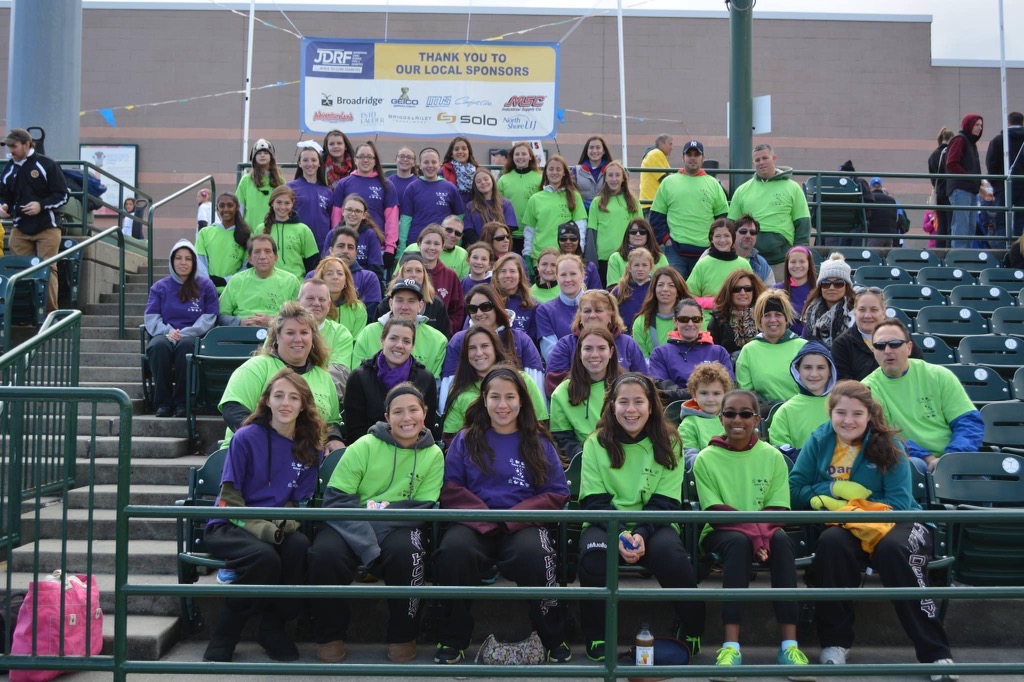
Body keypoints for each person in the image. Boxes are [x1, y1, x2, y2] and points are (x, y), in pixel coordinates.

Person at [789, 380, 959, 677]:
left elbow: (899, 503)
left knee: (894, 550)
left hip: (898, 522)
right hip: (846, 524)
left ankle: (936, 654)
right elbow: (794, 490)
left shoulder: (889, 445)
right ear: (830, 413)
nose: (848, 421)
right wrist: (831, 489)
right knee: (831, 543)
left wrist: (854, 505)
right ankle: (835, 643)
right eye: (841, 413)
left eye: (857, 414)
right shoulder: (819, 440)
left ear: (869, 415)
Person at [433, 367, 571, 665]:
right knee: (453, 552)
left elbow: (556, 493)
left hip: (522, 524)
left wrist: (512, 517)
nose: (502, 405)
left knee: (536, 555)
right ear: (484, 400)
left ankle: (552, 637)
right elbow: (451, 488)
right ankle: (452, 638)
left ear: (522, 400)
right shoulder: (465, 439)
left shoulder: (538, 442)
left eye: (510, 397)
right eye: (495, 397)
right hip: (474, 523)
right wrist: (486, 517)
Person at [309, 383, 444, 664]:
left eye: (413, 410)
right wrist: (367, 538)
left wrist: (373, 527)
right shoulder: (364, 445)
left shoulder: (434, 455)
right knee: (324, 554)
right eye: (398, 412)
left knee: (409, 553)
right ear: (387, 417)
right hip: (350, 522)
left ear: (425, 413)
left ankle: (403, 636)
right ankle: (329, 635)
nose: (406, 418)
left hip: (400, 525)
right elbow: (337, 499)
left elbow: (421, 507)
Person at [578, 372, 704, 663]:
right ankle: (597, 634)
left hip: (654, 524)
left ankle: (691, 627)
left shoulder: (670, 442)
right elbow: (594, 501)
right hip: (605, 522)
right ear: (612, 405)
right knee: (593, 558)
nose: (631, 409)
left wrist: (641, 533)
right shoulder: (595, 443)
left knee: (673, 558)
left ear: (651, 406)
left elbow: (666, 501)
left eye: (638, 402)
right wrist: (622, 533)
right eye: (623, 402)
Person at [201, 369, 323, 663]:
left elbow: (297, 502)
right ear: (267, 401)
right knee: (265, 558)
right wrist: (265, 530)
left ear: (303, 405)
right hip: (230, 523)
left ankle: (272, 628)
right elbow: (230, 499)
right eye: (278, 396)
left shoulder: (310, 448)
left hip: (275, 526)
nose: (285, 403)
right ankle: (225, 634)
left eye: (293, 397)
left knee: (300, 547)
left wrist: (280, 526)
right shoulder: (245, 437)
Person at [693, 389, 811, 680]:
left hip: (766, 532)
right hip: (722, 531)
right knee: (738, 542)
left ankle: (790, 646)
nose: (738, 419)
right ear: (720, 418)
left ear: (757, 419)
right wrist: (757, 538)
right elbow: (715, 510)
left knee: (782, 542)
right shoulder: (705, 458)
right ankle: (730, 647)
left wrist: (761, 537)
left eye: (745, 414)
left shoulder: (772, 456)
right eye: (730, 413)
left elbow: (778, 508)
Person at [862, 318, 983, 474]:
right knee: (913, 465)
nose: (887, 350)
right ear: (873, 351)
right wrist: (927, 458)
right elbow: (881, 437)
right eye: (880, 346)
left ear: (909, 347)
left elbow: (968, 421)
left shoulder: (939, 375)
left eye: (895, 344)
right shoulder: (867, 389)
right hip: (907, 460)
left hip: (954, 457)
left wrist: (951, 458)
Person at [219, 301, 344, 448]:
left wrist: (334, 438)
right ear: (277, 336)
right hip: (250, 452)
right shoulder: (256, 367)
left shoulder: (324, 377)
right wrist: (271, 442)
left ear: (312, 337)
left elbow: (332, 422)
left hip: (305, 455)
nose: (298, 339)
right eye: (290, 333)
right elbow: (233, 409)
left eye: (304, 332)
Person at [144, 239, 219, 418]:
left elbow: (209, 317)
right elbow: (151, 317)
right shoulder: (159, 287)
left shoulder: (206, 285)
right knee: (158, 346)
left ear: (194, 262)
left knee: (186, 346)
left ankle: (183, 403)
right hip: (165, 334)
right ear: (172, 261)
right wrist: (168, 332)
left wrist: (184, 333)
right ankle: (162, 403)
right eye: (178, 258)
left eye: (188, 259)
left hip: (195, 336)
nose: (183, 263)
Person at [0, 128, 69, 314]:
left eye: (14, 146)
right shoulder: (10, 167)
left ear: (27, 145)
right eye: (9, 147)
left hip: (47, 226)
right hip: (20, 227)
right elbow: (5, 194)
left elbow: (62, 195)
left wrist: (41, 205)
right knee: (18, 269)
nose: (11, 151)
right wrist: (4, 206)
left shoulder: (46, 164)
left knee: (47, 268)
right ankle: (23, 313)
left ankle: (49, 313)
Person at [440, 284, 544, 403]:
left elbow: (536, 389)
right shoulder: (459, 341)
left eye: (485, 307)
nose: (479, 313)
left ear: (497, 306)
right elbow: (448, 388)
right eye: (472, 309)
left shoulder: (521, 339)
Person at [344, 318, 438, 443]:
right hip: (370, 448)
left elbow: (428, 428)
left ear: (412, 346)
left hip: (412, 448)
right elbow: (354, 432)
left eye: (406, 341)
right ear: (382, 340)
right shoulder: (359, 377)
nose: (399, 345)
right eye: (393, 338)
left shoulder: (425, 379)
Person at [441, 328, 547, 438]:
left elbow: (540, 424)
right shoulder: (459, 390)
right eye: (472, 348)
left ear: (495, 349)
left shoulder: (522, 379)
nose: (479, 353)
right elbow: (451, 438)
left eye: (484, 346)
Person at [728, 144, 811, 281]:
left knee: (781, 295)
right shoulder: (741, 191)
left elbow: (803, 224)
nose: (761, 162)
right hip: (750, 260)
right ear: (753, 163)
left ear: (774, 158)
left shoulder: (793, 188)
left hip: (782, 261)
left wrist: (798, 255)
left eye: (765, 158)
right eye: (757, 160)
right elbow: (732, 226)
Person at [649, 139, 730, 277]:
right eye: (689, 154)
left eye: (696, 155)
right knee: (674, 287)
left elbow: (723, 219)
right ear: (683, 157)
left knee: (703, 289)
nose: (693, 158)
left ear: (703, 158)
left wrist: (714, 243)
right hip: (675, 251)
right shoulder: (668, 183)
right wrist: (666, 240)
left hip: (706, 252)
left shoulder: (713, 184)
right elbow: (656, 217)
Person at [545, 289, 648, 387]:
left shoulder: (628, 344)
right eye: (587, 311)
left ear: (611, 315)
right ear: (580, 316)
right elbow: (552, 383)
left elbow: (644, 381)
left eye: (598, 310)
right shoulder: (566, 344)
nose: (592, 315)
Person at [550, 325, 622, 459]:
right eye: (588, 348)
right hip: (586, 459)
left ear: (611, 352)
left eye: (601, 348)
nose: (594, 354)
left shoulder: (626, 386)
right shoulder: (561, 393)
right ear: (579, 352)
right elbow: (563, 439)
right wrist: (588, 456)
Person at [353, 277, 448, 377]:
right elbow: (358, 376)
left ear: (420, 306)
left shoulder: (437, 340)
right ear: (391, 304)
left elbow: (434, 383)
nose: (404, 307)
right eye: (399, 300)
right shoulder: (368, 333)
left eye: (411, 301)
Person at [330, 141, 399, 269]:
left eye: (369, 157)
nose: (365, 160)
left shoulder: (386, 185)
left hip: (377, 248)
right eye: (361, 156)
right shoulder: (344, 184)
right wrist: (336, 240)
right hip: (347, 248)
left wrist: (390, 247)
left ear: (375, 160)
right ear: (355, 160)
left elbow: (392, 219)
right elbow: (336, 216)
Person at [649, 298, 733, 401]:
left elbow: (728, 386)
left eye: (696, 319)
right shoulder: (660, 353)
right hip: (676, 408)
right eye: (684, 319)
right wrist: (698, 395)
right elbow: (661, 388)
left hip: (714, 406)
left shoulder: (719, 352)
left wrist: (702, 395)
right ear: (675, 321)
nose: (690, 324)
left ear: (702, 321)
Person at [735, 289, 807, 409]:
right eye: (767, 315)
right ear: (760, 320)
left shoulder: (804, 347)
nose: (773, 320)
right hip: (764, 414)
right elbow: (746, 395)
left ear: (786, 319)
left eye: (778, 315)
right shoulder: (749, 351)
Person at [831, 287, 921, 382]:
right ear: (855, 312)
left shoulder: (901, 335)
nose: (867, 315)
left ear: (883, 312)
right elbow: (844, 384)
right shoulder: (841, 344)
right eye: (862, 310)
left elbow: (918, 371)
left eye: (874, 310)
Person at [767, 341, 837, 456]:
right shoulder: (786, 411)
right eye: (807, 367)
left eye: (820, 368)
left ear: (830, 371)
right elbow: (782, 452)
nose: (814, 374)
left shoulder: (842, 405)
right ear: (798, 369)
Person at [218, 234, 301, 327]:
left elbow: (299, 316)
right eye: (257, 252)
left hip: (277, 332)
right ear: (250, 259)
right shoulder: (236, 280)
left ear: (275, 257)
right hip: (241, 333)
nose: (262, 256)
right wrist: (240, 322)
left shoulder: (291, 281)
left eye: (268, 251)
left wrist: (273, 321)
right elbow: (221, 315)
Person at [522, 155, 588, 268]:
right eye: (551, 169)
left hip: (566, 257)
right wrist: (527, 254)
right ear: (546, 172)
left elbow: (581, 226)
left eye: (558, 169)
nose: (554, 172)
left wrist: (579, 249)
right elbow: (529, 231)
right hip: (540, 257)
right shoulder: (535, 199)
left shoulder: (574, 196)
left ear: (564, 173)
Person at [399, 147, 464, 256]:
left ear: (439, 165)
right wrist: (401, 249)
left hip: (442, 247)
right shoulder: (412, 188)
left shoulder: (450, 188)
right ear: (420, 165)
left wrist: (457, 246)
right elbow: (405, 221)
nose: (430, 165)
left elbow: (459, 219)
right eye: (426, 162)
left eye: (434, 162)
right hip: (417, 245)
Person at [296, 278, 354, 400]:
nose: (316, 303)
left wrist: (306, 400)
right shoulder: (282, 329)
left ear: (328, 305)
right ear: (298, 302)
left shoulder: (341, 334)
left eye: (322, 300)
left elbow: (338, 376)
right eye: (310, 298)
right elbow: (271, 366)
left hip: (321, 400)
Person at [588, 160, 644, 282]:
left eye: (617, 175)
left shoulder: (633, 201)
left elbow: (641, 230)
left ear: (623, 178)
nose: (614, 179)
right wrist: (592, 261)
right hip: (604, 259)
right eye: (610, 175)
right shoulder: (597, 202)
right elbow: (592, 234)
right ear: (605, 178)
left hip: (627, 257)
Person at [374, 254, 451, 338]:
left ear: (424, 275)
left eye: (418, 271)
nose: (413, 275)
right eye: (408, 270)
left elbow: (444, 336)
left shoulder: (437, 304)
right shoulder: (385, 305)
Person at [942, 114, 986, 249]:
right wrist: (968, 177)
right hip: (961, 189)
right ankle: (959, 255)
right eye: (977, 125)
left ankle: (965, 255)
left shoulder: (970, 143)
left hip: (969, 190)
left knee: (970, 226)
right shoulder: (960, 140)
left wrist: (978, 187)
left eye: (981, 125)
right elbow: (951, 163)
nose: (980, 128)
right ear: (969, 125)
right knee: (962, 225)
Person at [677, 362, 732, 467]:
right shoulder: (688, 424)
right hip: (706, 472)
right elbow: (687, 457)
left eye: (716, 393)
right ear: (694, 395)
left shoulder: (733, 418)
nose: (710, 399)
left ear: (725, 395)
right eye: (704, 393)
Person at [259, 185, 320, 279]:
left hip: (296, 284)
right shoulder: (260, 229)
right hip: (267, 283)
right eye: (279, 202)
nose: (283, 207)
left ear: (292, 204)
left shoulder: (303, 230)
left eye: (287, 203)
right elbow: (253, 261)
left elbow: (313, 263)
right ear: (272, 203)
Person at [685, 218, 752, 303]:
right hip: (709, 311)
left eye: (727, 236)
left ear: (733, 238)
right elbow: (688, 296)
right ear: (711, 239)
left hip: (738, 311)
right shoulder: (702, 264)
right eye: (717, 236)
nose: (722, 240)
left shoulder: (744, 264)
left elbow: (752, 293)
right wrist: (713, 303)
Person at [415, 225, 465, 332]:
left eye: (437, 244)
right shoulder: (408, 272)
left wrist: (447, 330)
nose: (432, 247)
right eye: (428, 242)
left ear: (442, 247)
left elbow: (457, 311)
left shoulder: (450, 276)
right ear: (419, 244)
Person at [632, 266, 691, 357]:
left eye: (671, 285)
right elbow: (642, 360)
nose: (665, 289)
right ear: (654, 289)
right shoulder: (641, 322)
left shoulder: (692, 320)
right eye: (660, 285)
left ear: (678, 291)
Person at [196, 192, 250, 291]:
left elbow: (246, 266)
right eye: (221, 206)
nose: (226, 209)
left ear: (237, 207)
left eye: (230, 205)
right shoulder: (205, 233)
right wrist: (208, 284)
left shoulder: (247, 235)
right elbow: (200, 262)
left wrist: (226, 280)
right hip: (209, 291)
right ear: (217, 208)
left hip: (234, 290)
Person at [536, 254, 586, 360]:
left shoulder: (597, 305)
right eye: (563, 275)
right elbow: (551, 354)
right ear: (557, 278)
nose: (568, 279)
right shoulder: (545, 311)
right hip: (563, 369)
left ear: (582, 275)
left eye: (573, 274)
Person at [497, 141, 543, 253]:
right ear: (512, 157)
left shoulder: (540, 179)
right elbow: (497, 204)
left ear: (530, 157)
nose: (520, 157)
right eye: (517, 154)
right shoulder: (504, 179)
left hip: (533, 233)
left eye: (524, 154)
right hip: (509, 234)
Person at [707, 270, 768, 356]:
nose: (743, 293)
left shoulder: (765, 315)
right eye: (737, 289)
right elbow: (713, 353)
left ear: (753, 291)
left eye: (748, 289)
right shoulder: (718, 318)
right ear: (729, 292)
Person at [801, 253, 855, 349]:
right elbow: (805, 344)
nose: (831, 288)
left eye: (838, 283)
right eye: (826, 283)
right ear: (820, 287)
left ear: (847, 286)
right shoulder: (810, 313)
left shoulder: (856, 312)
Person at [986, 111, 1024, 238]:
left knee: (1001, 222)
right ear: (1022, 123)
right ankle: (1018, 247)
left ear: (1008, 123)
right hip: (1022, 187)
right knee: (1020, 222)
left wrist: (996, 184)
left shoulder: (998, 140)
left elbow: (991, 164)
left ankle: (1002, 247)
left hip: (1002, 186)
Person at [325, 226, 382, 311]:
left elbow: (370, 314)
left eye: (350, 247)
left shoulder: (368, 278)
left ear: (356, 253)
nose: (345, 251)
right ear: (331, 250)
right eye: (341, 246)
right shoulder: (314, 276)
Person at [288, 143, 333, 249]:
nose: (310, 164)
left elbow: (331, 219)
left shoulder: (327, 192)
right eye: (305, 160)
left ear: (319, 163)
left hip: (321, 246)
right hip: (297, 243)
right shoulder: (290, 188)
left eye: (313, 160)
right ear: (299, 163)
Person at [333, 193, 385, 285]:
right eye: (349, 209)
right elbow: (325, 264)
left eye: (357, 211)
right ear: (343, 211)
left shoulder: (370, 235)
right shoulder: (333, 234)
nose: (353, 214)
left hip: (362, 283)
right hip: (336, 281)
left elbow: (377, 269)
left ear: (364, 215)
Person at [605, 218, 670, 287]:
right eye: (633, 232)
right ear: (628, 235)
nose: (638, 234)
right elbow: (613, 287)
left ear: (648, 235)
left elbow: (666, 284)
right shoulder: (615, 258)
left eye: (642, 232)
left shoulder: (660, 257)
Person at [313, 256, 367, 337]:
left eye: (340, 274)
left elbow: (357, 341)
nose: (335, 277)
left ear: (345, 281)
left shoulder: (357, 308)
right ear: (321, 279)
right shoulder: (313, 306)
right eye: (329, 274)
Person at [463, 168, 516, 245]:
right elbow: (468, 230)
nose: (483, 182)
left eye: (486, 179)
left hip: (500, 246)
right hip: (479, 246)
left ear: (492, 180)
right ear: (475, 186)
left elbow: (510, 227)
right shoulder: (470, 206)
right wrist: (482, 244)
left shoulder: (505, 204)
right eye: (478, 181)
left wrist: (497, 241)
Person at [236, 138, 284, 225]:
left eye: (266, 153)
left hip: (274, 229)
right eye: (258, 153)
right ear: (254, 158)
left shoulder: (280, 181)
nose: (262, 155)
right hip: (250, 230)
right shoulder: (246, 180)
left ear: (271, 157)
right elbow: (239, 209)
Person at [492, 253, 538, 335]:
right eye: (503, 271)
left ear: (520, 276)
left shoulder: (533, 306)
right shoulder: (487, 303)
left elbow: (534, 339)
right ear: (497, 276)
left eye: (512, 271)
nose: (507, 275)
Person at [774, 246, 815, 336]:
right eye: (793, 262)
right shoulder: (777, 290)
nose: (797, 266)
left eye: (802, 261)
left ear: (809, 264)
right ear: (787, 265)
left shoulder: (818, 289)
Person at [610, 247, 654, 330]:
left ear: (650, 267)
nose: (640, 269)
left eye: (644, 265)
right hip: (625, 333)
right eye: (636, 265)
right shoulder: (620, 290)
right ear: (630, 268)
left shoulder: (655, 289)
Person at [928, 127, 956, 248]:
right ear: (951, 139)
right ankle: (949, 252)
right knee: (951, 225)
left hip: (938, 193)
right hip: (948, 193)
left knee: (941, 226)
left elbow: (932, 177)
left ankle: (939, 252)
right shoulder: (949, 153)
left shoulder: (933, 155)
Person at [556, 221, 602, 290]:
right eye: (563, 238)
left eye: (573, 238)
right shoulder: (552, 265)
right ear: (558, 241)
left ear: (578, 241)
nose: (568, 241)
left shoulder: (589, 267)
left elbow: (597, 293)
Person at [571, 135, 612, 210]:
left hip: (604, 211)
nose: (594, 151)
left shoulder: (611, 170)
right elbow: (571, 193)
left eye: (598, 147)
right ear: (587, 151)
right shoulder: (576, 171)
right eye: (591, 147)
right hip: (582, 211)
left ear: (603, 151)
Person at [733, 214, 776, 286]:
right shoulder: (721, 257)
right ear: (733, 234)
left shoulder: (761, 263)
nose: (748, 236)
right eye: (743, 231)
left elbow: (771, 290)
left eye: (752, 232)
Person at [441, 136, 479, 205]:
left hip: (473, 209)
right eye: (456, 149)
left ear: (469, 152)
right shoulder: (443, 171)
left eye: (464, 149)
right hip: (452, 210)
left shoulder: (477, 171)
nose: (460, 151)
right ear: (451, 154)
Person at [638, 133, 673, 210]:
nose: (671, 148)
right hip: (653, 205)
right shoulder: (655, 154)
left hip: (652, 203)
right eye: (670, 144)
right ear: (661, 144)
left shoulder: (656, 155)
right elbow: (665, 179)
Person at [866, 177, 901, 248]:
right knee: (886, 254)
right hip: (889, 236)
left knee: (874, 254)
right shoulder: (891, 200)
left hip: (874, 235)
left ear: (870, 187)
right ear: (881, 187)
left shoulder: (869, 199)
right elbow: (895, 218)